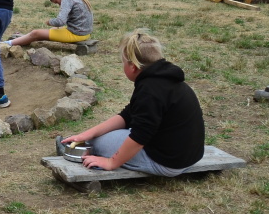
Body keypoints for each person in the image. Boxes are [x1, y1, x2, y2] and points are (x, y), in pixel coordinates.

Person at [62, 31, 205, 175]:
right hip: (186, 157)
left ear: (133, 67)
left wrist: (111, 162)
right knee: (96, 137)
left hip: (166, 162)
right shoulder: (165, 79)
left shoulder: (150, 90)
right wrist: (86, 134)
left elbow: (140, 135)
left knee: (95, 143)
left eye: (123, 63)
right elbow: (128, 116)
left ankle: (74, 150)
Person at [7, 0, 94, 48]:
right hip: (85, 33)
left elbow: (60, 22)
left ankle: (8, 43)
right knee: (52, 30)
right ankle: (24, 38)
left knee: (36, 33)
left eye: (56, 2)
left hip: (77, 34)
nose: (59, 4)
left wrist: (49, 22)